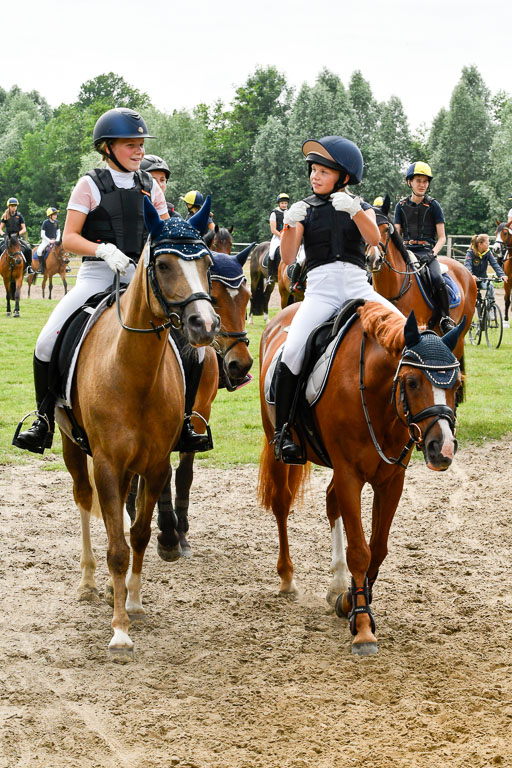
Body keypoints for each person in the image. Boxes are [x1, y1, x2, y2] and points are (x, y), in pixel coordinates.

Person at [12, 107, 207, 455]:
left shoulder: (150, 186)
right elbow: (69, 238)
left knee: (198, 354)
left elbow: (166, 233)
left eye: (141, 144)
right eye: (130, 144)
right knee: (45, 343)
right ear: (107, 147)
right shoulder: (89, 184)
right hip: (96, 275)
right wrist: (103, 251)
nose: (139, 151)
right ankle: (43, 420)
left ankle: (186, 421)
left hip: (142, 280)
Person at [273, 135, 403, 463]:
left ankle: (417, 414)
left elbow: (374, 239)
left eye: (323, 171)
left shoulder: (360, 206)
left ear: (344, 176)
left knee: (407, 334)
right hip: (321, 291)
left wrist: (357, 211)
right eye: (313, 170)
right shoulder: (305, 209)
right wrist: (290, 225)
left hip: (360, 288)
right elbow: (288, 258)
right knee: (293, 348)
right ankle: (284, 432)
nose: (314, 176)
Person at [394, 162, 454, 335]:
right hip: (406, 252)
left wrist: (433, 253)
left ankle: (444, 318)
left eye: (425, 181)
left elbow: (442, 237)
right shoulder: (400, 206)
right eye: (418, 180)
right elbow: (397, 234)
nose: (422, 184)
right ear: (409, 182)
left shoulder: (434, 205)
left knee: (437, 278)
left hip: (427, 252)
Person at [464, 233, 507, 299]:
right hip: (472, 280)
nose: (488, 244)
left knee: (490, 286)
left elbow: (494, 264)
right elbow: (467, 265)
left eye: (488, 242)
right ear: (480, 244)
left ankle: (491, 303)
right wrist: (471, 275)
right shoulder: (470, 252)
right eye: (486, 243)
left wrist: (501, 274)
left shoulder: (488, 252)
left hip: (483, 279)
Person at [0, 197, 35, 274]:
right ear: (9, 206)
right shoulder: (5, 216)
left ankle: (29, 267)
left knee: (28, 249)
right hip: (8, 238)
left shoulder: (19, 216)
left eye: (15, 206)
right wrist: (4, 234)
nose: (14, 207)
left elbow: (24, 229)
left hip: (17, 238)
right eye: (12, 206)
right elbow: (0, 229)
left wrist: (18, 233)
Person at [267, 193, 290, 283]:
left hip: (289, 237)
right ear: (279, 204)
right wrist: (282, 236)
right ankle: (270, 276)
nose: (284, 205)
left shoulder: (289, 212)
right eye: (282, 203)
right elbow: (273, 229)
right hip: (277, 237)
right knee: (272, 254)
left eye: (285, 203)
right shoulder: (274, 213)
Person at [36, 207, 61, 272]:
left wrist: (57, 240)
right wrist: (49, 240)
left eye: (56, 214)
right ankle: (41, 266)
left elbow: (58, 233)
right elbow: (42, 235)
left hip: (55, 240)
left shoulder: (56, 222)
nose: (56, 216)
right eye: (54, 214)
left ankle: (64, 266)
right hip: (46, 241)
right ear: (50, 215)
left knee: (62, 250)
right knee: (39, 251)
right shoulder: (45, 222)